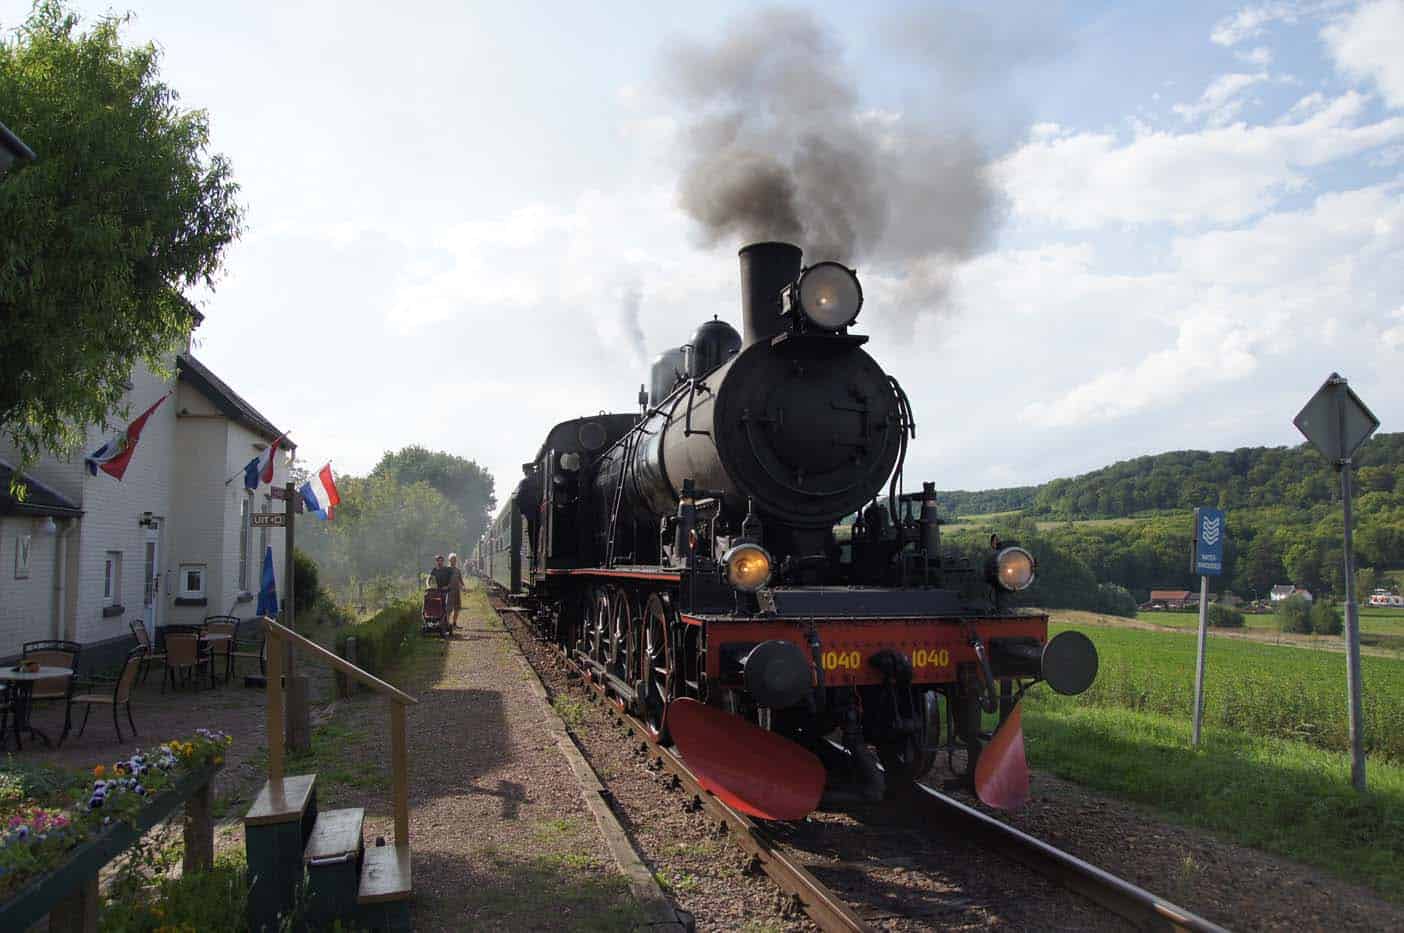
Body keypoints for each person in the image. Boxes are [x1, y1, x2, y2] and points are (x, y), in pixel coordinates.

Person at [446, 553, 467, 631]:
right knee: (448, 609)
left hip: (457, 591)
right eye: (452, 560)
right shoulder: (446, 569)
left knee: (457, 608)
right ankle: (447, 624)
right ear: (449, 560)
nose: (453, 561)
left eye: (454, 560)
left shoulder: (457, 570)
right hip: (449, 592)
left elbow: (461, 580)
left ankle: (454, 623)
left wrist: (463, 587)